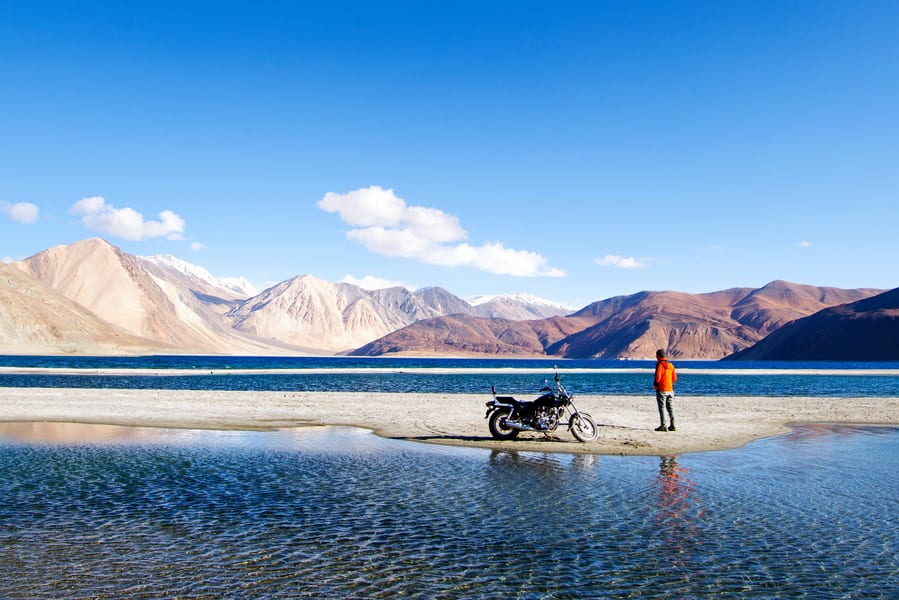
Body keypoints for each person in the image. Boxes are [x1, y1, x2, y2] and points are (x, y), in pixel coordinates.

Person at [653, 348, 677, 431]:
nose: (656, 357)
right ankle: (673, 425)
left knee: (662, 407)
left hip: (661, 389)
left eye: (656, 356)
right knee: (670, 407)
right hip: (670, 389)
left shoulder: (660, 365)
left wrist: (656, 385)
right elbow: (674, 378)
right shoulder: (671, 365)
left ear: (659, 356)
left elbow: (658, 378)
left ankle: (663, 425)